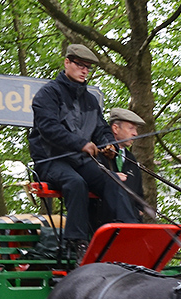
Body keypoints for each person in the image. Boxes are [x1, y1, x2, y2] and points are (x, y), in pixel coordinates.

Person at [29, 44, 137, 258]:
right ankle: (76, 242)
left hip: (79, 161)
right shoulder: (48, 95)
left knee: (112, 179)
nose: (84, 70)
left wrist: (109, 145)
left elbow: (101, 129)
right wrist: (81, 143)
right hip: (52, 160)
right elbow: (49, 129)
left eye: (88, 67)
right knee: (76, 183)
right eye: (80, 65)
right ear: (67, 63)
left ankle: (129, 231)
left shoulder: (90, 100)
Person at [104, 107, 145, 200]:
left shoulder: (132, 159)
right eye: (131, 128)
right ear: (116, 128)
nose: (135, 133)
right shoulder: (99, 153)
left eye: (136, 129)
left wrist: (138, 211)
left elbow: (139, 195)